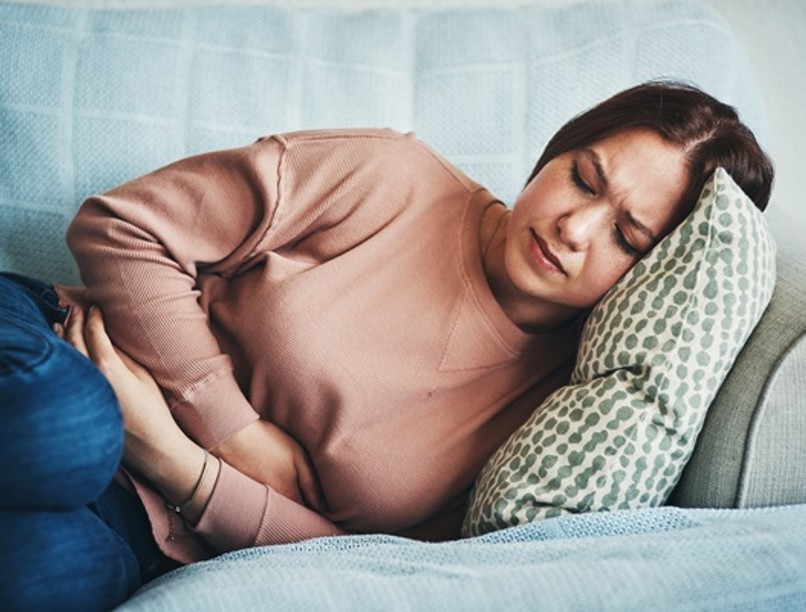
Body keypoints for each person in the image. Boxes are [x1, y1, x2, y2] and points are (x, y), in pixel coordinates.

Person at [0, 81, 774, 610]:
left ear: (655, 276)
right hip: (66, 356)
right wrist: (234, 429)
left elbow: (370, 557)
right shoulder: (392, 176)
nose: (575, 227)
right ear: (556, 151)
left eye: (626, 236)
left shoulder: (552, 421)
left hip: (142, 535)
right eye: (582, 178)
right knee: (68, 431)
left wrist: (186, 466)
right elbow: (123, 227)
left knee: (39, 574)